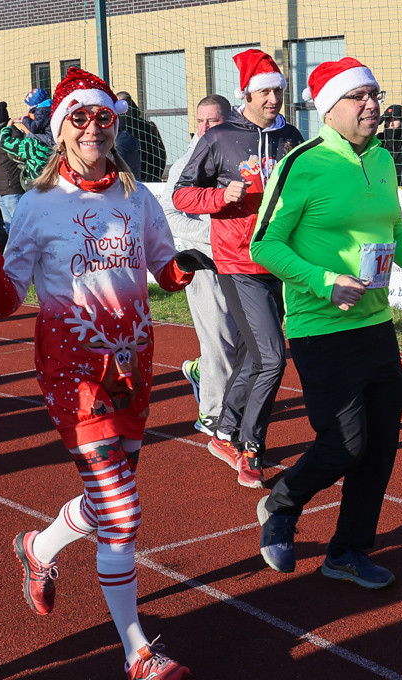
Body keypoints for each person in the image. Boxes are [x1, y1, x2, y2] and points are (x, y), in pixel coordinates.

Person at [0, 67, 200, 680]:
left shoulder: (137, 197)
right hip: (73, 372)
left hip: (133, 367)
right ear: (61, 132)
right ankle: (137, 650)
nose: (93, 128)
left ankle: (37, 548)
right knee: (122, 511)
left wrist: (187, 266)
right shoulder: (37, 206)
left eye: (104, 118)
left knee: (105, 500)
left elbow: (164, 268)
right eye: (80, 119)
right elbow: (8, 299)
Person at [250, 57, 402, 589]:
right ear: (329, 108)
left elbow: (396, 230)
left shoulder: (383, 158)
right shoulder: (304, 163)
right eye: (358, 96)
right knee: (345, 443)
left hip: (376, 324)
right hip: (321, 327)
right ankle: (283, 500)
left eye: (375, 94)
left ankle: (347, 551)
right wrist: (323, 281)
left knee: (381, 443)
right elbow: (264, 243)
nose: (372, 105)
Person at [173, 49, 304, 488]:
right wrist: (220, 198)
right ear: (246, 93)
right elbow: (182, 196)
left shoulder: (293, 137)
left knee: (252, 353)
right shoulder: (220, 138)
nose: (273, 99)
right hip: (237, 261)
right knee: (273, 357)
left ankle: (224, 431)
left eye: (279, 90)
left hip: (279, 259)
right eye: (265, 90)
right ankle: (251, 448)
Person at [161, 95, 235, 437]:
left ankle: (201, 372)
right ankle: (212, 416)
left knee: (243, 343)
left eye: (213, 121)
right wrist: (214, 233)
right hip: (206, 261)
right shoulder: (189, 161)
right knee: (220, 342)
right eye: (200, 121)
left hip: (244, 262)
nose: (204, 128)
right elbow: (170, 214)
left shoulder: (240, 152)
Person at [0, 101, 25, 234]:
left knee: (19, 231)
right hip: (3, 191)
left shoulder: (12, 135)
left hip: (13, 190)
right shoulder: (0, 134)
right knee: (10, 230)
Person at [115, 92, 167, 182]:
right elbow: (160, 153)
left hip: (124, 178)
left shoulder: (114, 128)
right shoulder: (148, 126)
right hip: (149, 176)